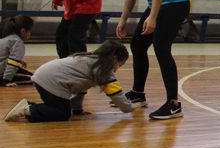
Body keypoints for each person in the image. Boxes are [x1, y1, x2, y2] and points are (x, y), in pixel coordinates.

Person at [92, 0, 190, 121]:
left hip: (174, 2)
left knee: (161, 48)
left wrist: (152, 17)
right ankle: (138, 94)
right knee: (138, 45)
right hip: (158, 3)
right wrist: (123, 19)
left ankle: (173, 104)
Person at [5, 39, 143, 122]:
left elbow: (80, 88)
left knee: (60, 109)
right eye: (119, 65)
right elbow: (116, 95)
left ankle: (29, 107)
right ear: (114, 59)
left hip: (45, 77)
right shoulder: (103, 70)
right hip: (50, 81)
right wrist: (129, 107)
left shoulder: (91, 60)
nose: (117, 69)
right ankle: (27, 109)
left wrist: (77, 109)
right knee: (62, 114)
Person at [1, 15, 34, 86]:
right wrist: (6, 81)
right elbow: (13, 63)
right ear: (23, 31)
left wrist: (19, 61)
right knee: (35, 78)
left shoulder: (6, 38)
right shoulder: (18, 42)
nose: (30, 33)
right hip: (2, 75)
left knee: (32, 75)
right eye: (29, 31)